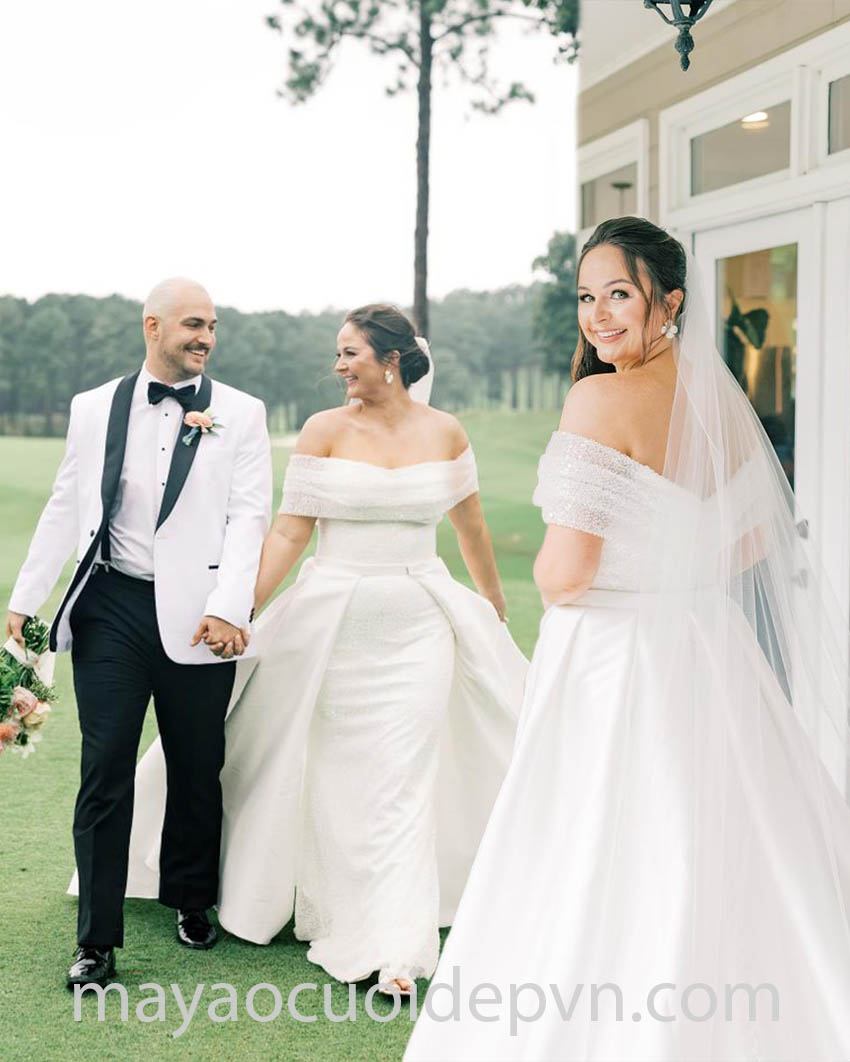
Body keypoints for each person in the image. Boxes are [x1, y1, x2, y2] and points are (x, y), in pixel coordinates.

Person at [404, 218, 850, 1060]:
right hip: (710, 645)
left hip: (611, 657)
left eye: (619, 294)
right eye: (586, 296)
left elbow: (564, 573)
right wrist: (676, 572)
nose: (598, 315)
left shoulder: (599, 399)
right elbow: (754, 539)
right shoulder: (721, 399)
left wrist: (590, 577)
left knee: (595, 842)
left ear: (669, 302)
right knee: (734, 833)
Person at [117, 304, 527, 995]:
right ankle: (340, 908)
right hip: (337, 625)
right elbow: (289, 532)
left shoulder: (446, 431)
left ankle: (397, 946)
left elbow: (471, 524)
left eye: (350, 353)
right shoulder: (323, 430)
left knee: (404, 778)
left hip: (420, 625)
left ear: (391, 360)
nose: (338, 366)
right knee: (344, 778)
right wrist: (238, 607)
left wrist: (491, 601)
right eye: (338, 353)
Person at [7, 277, 272, 989]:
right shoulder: (93, 406)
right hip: (111, 608)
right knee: (105, 768)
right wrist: (26, 598)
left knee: (196, 764)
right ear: (152, 326)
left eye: (212, 326)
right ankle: (96, 941)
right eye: (193, 324)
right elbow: (66, 504)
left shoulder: (242, 413)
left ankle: (191, 898)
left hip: (200, 614)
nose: (206, 337)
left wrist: (230, 606)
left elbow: (249, 517)